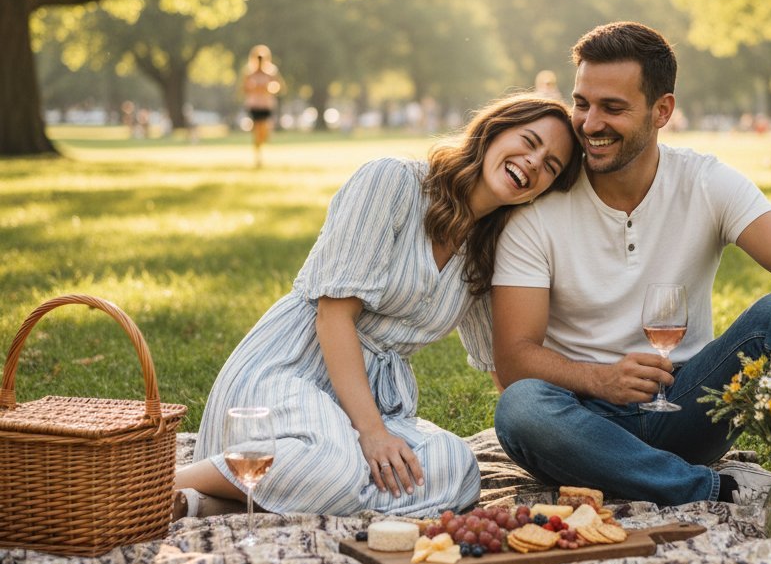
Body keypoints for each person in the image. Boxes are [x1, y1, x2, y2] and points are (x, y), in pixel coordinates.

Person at [491, 22, 771, 532]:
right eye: (582, 103)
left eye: (612, 108)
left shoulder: (703, 181)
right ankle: (713, 488)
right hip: (581, 420)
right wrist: (602, 379)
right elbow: (514, 358)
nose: (589, 123)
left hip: (689, 405)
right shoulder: (537, 207)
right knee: (520, 407)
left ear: (662, 111)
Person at [173, 94, 582, 521]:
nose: (535, 162)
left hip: (374, 402)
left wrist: (551, 434)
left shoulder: (490, 250)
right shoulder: (393, 183)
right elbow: (332, 316)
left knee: (456, 469)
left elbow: (502, 365)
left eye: (551, 165)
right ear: (493, 132)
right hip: (291, 369)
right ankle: (165, 483)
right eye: (529, 141)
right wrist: (371, 433)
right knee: (337, 467)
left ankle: (211, 502)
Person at [242, 44, 283, 167]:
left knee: (263, 131)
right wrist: (253, 88)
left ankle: (263, 140)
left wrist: (268, 88)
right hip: (254, 104)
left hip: (266, 104)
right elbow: (244, 88)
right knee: (257, 130)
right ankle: (258, 157)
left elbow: (278, 86)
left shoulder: (271, 72)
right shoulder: (249, 72)